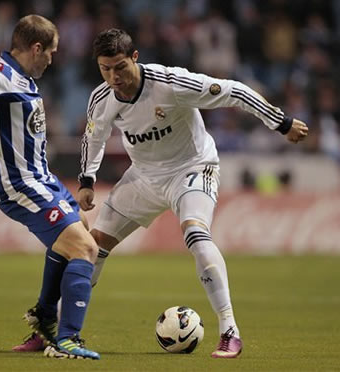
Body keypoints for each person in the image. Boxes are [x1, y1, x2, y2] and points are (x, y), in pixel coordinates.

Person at [77, 29, 309, 359]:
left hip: (192, 168)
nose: (113, 77)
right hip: (144, 177)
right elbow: (94, 137)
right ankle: (61, 330)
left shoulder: (171, 83)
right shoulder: (102, 98)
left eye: (119, 67)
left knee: (196, 234)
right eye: (105, 69)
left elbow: (236, 91)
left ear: (135, 58)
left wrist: (281, 122)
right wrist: (87, 180)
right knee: (91, 245)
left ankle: (230, 331)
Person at [0, 15, 100, 360]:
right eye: (51, 52)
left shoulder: (24, 79)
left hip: (43, 179)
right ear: (36, 48)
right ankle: (67, 340)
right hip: (20, 187)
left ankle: (44, 322)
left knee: (81, 232)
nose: (52, 60)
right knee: (85, 249)